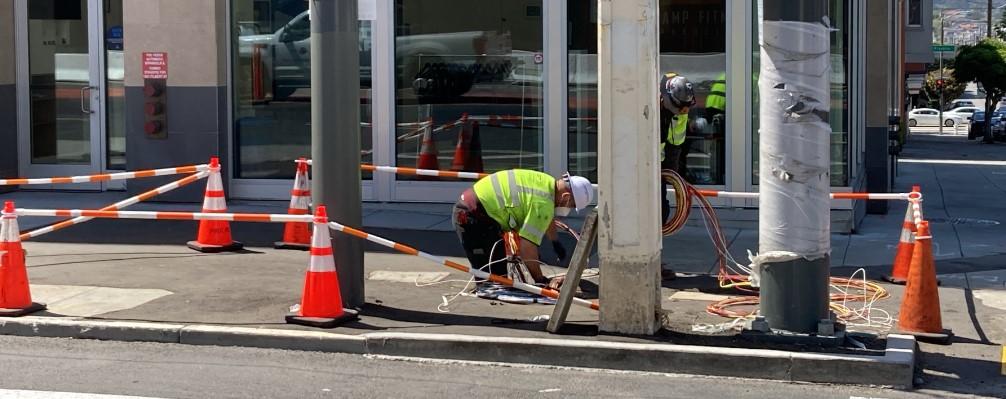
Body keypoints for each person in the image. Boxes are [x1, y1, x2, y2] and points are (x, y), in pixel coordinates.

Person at [452, 169, 593, 290]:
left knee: (498, 278)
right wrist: (540, 280)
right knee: (494, 284)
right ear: (566, 197)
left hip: (474, 208)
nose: (568, 208)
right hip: (474, 218)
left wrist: (555, 241)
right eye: (570, 205)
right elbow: (527, 248)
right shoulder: (543, 204)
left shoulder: (546, 182)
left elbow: (547, 216)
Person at [658, 72, 696, 222]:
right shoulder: (649, 102)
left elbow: (676, 142)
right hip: (642, 163)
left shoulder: (681, 110)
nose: (683, 112)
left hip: (658, 165)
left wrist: (670, 174)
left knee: (661, 211)